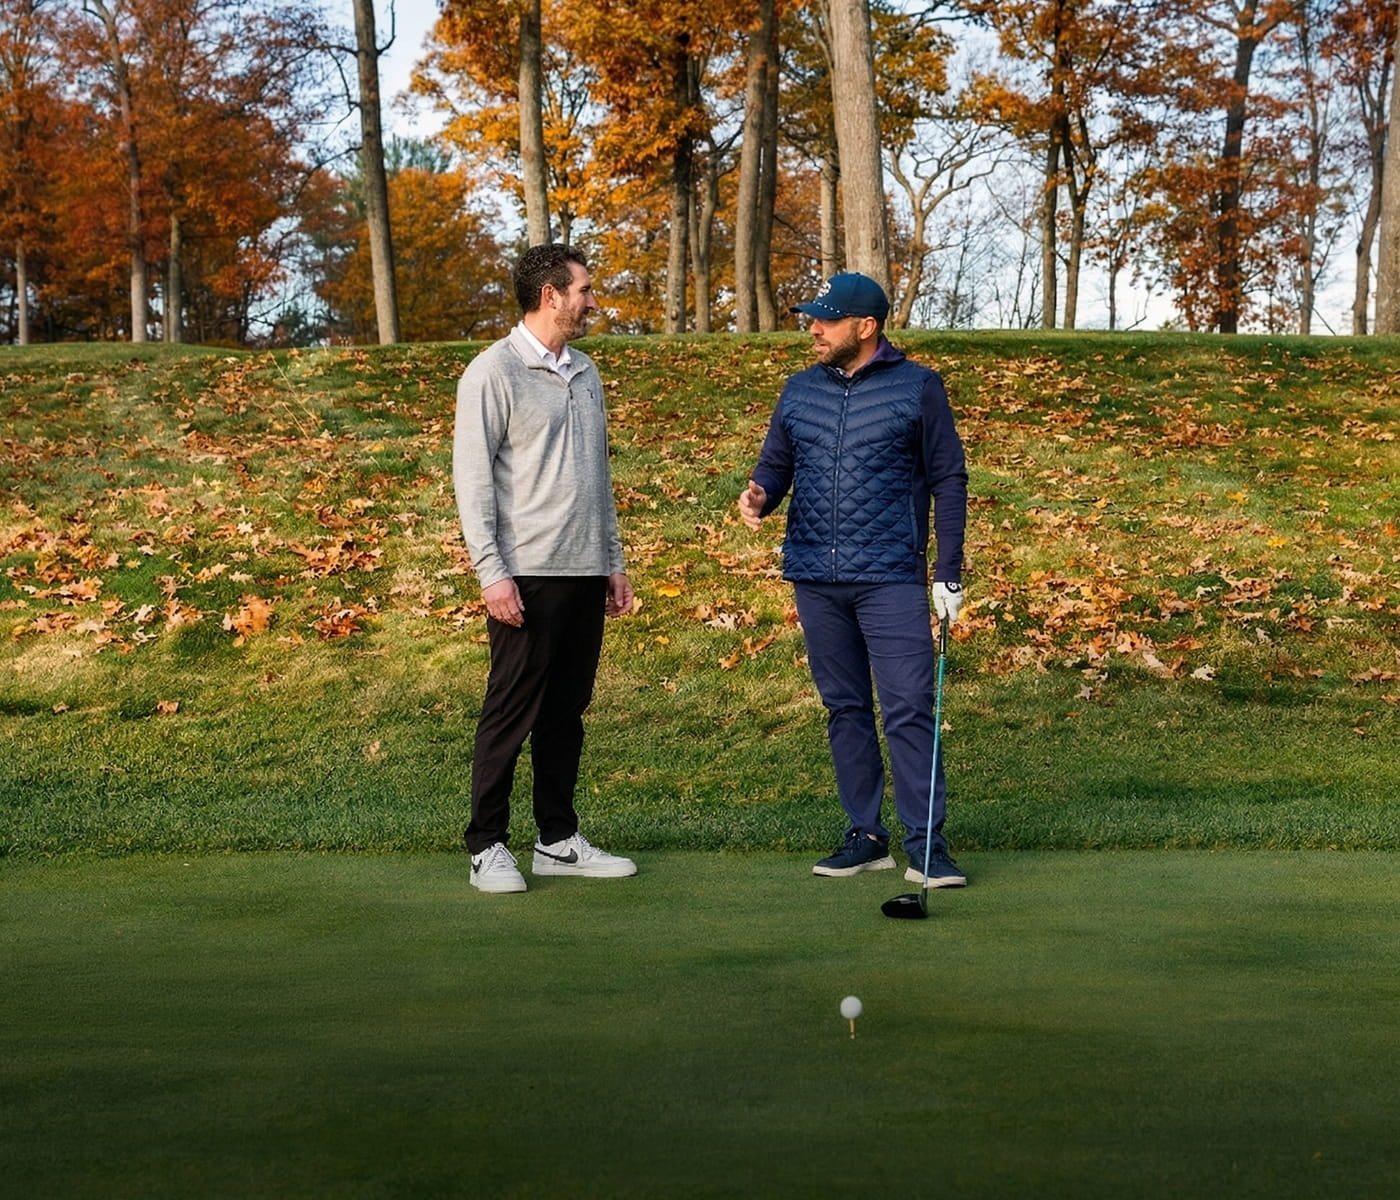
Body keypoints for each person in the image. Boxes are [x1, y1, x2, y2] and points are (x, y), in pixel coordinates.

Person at [738, 272, 969, 887]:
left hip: (890, 575)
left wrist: (948, 571)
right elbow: (777, 466)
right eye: (813, 317)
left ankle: (927, 846)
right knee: (844, 708)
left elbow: (949, 479)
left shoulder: (919, 387)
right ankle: (866, 836)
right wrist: (761, 493)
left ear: (865, 327)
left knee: (908, 709)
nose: (813, 328)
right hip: (815, 574)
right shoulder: (798, 390)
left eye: (826, 319)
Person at [453, 243, 637, 894]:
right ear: (549, 295)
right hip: (525, 575)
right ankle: (486, 846)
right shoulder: (491, 372)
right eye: (584, 289)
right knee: (512, 710)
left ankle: (557, 840)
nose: (592, 301)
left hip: (586, 569)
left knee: (566, 712)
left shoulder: (585, 372)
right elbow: (473, 484)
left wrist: (613, 562)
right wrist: (491, 574)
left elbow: (599, 479)